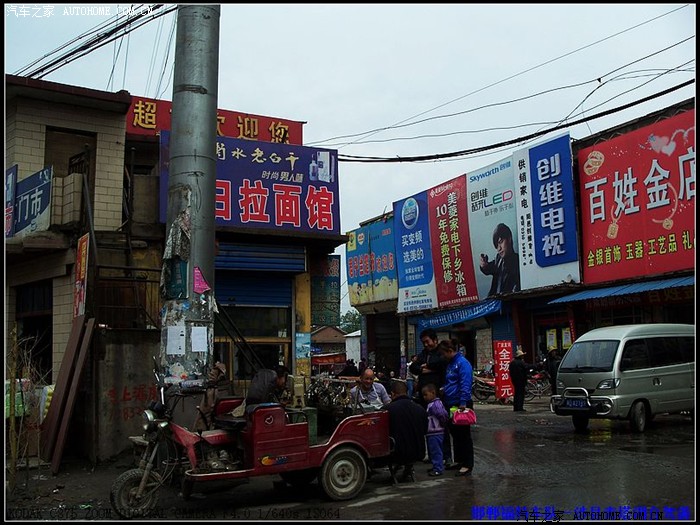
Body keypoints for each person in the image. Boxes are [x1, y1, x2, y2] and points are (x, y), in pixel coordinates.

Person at [438, 339, 474, 476]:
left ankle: (467, 464)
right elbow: (451, 382)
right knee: (456, 434)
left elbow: (465, 384)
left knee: (464, 435)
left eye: (443, 353)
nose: (443, 356)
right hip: (450, 403)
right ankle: (459, 461)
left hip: (460, 404)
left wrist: (463, 404)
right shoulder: (451, 364)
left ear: (449, 351)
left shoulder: (463, 363)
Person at [383, 380, 428, 483]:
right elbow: (425, 431)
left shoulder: (387, 410)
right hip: (418, 452)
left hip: (397, 453)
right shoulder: (420, 409)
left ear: (392, 394)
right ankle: (407, 470)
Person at [479, 223, 521, 296]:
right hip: (494, 302)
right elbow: (489, 268)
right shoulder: (498, 259)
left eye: (500, 242)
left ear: (509, 238)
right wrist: (484, 266)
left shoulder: (518, 262)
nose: (499, 248)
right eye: (496, 245)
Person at [409, 328, 447, 408]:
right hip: (423, 394)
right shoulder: (423, 354)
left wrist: (427, 365)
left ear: (435, 340)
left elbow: (440, 363)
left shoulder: (442, 351)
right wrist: (422, 369)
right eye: (423, 342)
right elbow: (413, 367)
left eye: (427, 341)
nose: (426, 344)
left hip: (438, 393)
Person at [422, 383, 449, 477]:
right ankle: (436, 466)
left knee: (436, 451)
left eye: (426, 395)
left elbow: (442, 414)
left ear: (433, 393)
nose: (424, 397)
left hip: (435, 432)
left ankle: (438, 469)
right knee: (434, 450)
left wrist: (442, 423)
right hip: (433, 432)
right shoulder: (432, 404)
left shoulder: (435, 404)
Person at [508, 348, 528, 412]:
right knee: (520, 394)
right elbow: (526, 368)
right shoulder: (521, 363)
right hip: (521, 380)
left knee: (516, 394)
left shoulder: (512, 363)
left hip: (514, 380)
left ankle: (516, 407)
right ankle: (520, 407)